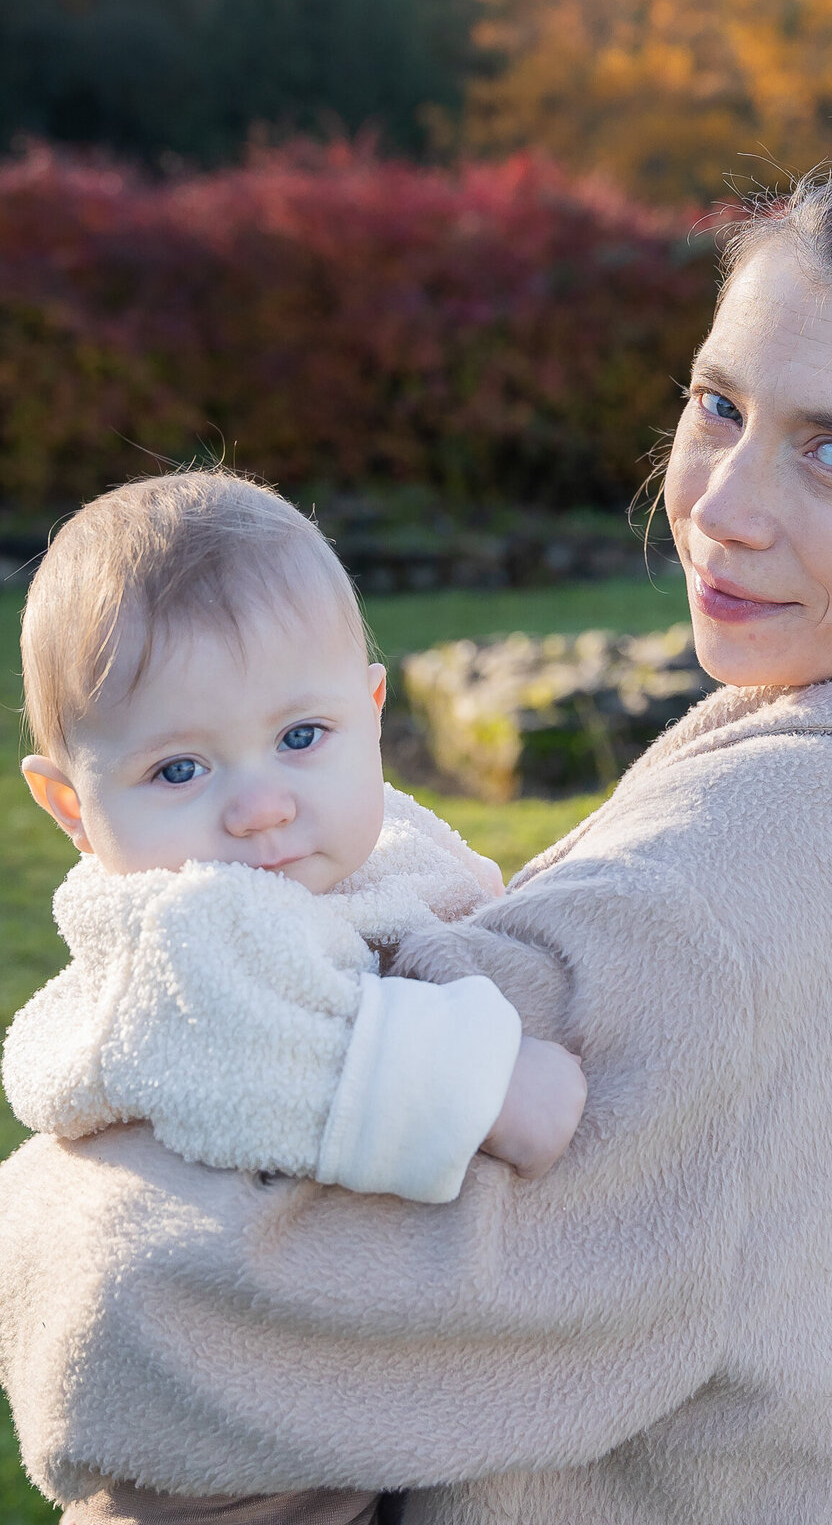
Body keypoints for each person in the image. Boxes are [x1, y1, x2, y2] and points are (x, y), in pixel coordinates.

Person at [0, 161, 832, 1525]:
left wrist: (30, 1222)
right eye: (719, 405)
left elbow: (164, 1322)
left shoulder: (711, 915)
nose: (724, 503)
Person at [0, 471, 587, 1525]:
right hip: (213, 1471)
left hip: (329, 1384)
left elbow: (446, 914)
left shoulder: (370, 846)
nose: (261, 807)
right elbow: (259, 1048)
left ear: (370, 713)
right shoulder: (180, 937)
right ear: (70, 807)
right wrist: (490, 1084)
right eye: (180, 770)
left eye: (302, 738)